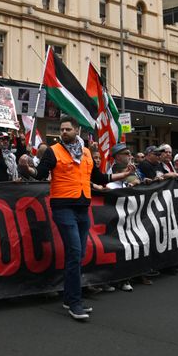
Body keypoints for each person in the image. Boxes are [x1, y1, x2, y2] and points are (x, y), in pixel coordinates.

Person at [26, 117, 134, 320]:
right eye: (61, 129)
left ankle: (69, 298)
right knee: (75, 253)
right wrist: (28, 169)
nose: (64, 132)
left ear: (77, 130)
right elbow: (40, 174)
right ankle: (75, 302)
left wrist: (124, 174)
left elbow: (99, 178)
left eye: (68, 129)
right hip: (63, 207)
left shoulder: (85, 152)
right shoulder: (53, 151)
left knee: (78, 254)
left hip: (83, 208)